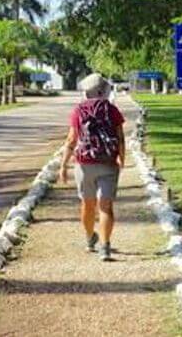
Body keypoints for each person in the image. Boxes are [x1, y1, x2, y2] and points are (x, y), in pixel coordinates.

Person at [59, 73, 125, 261]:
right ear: (103, 91)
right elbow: (120, 137)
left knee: (87, 204)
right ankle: (105, 246)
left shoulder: (78, 111)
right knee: (105, 206)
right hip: (107, 163)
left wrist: (63, 165)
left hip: (84, 164)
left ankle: (90, 239)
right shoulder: (112, 110)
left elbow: (72, 139)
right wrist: (122, 158)